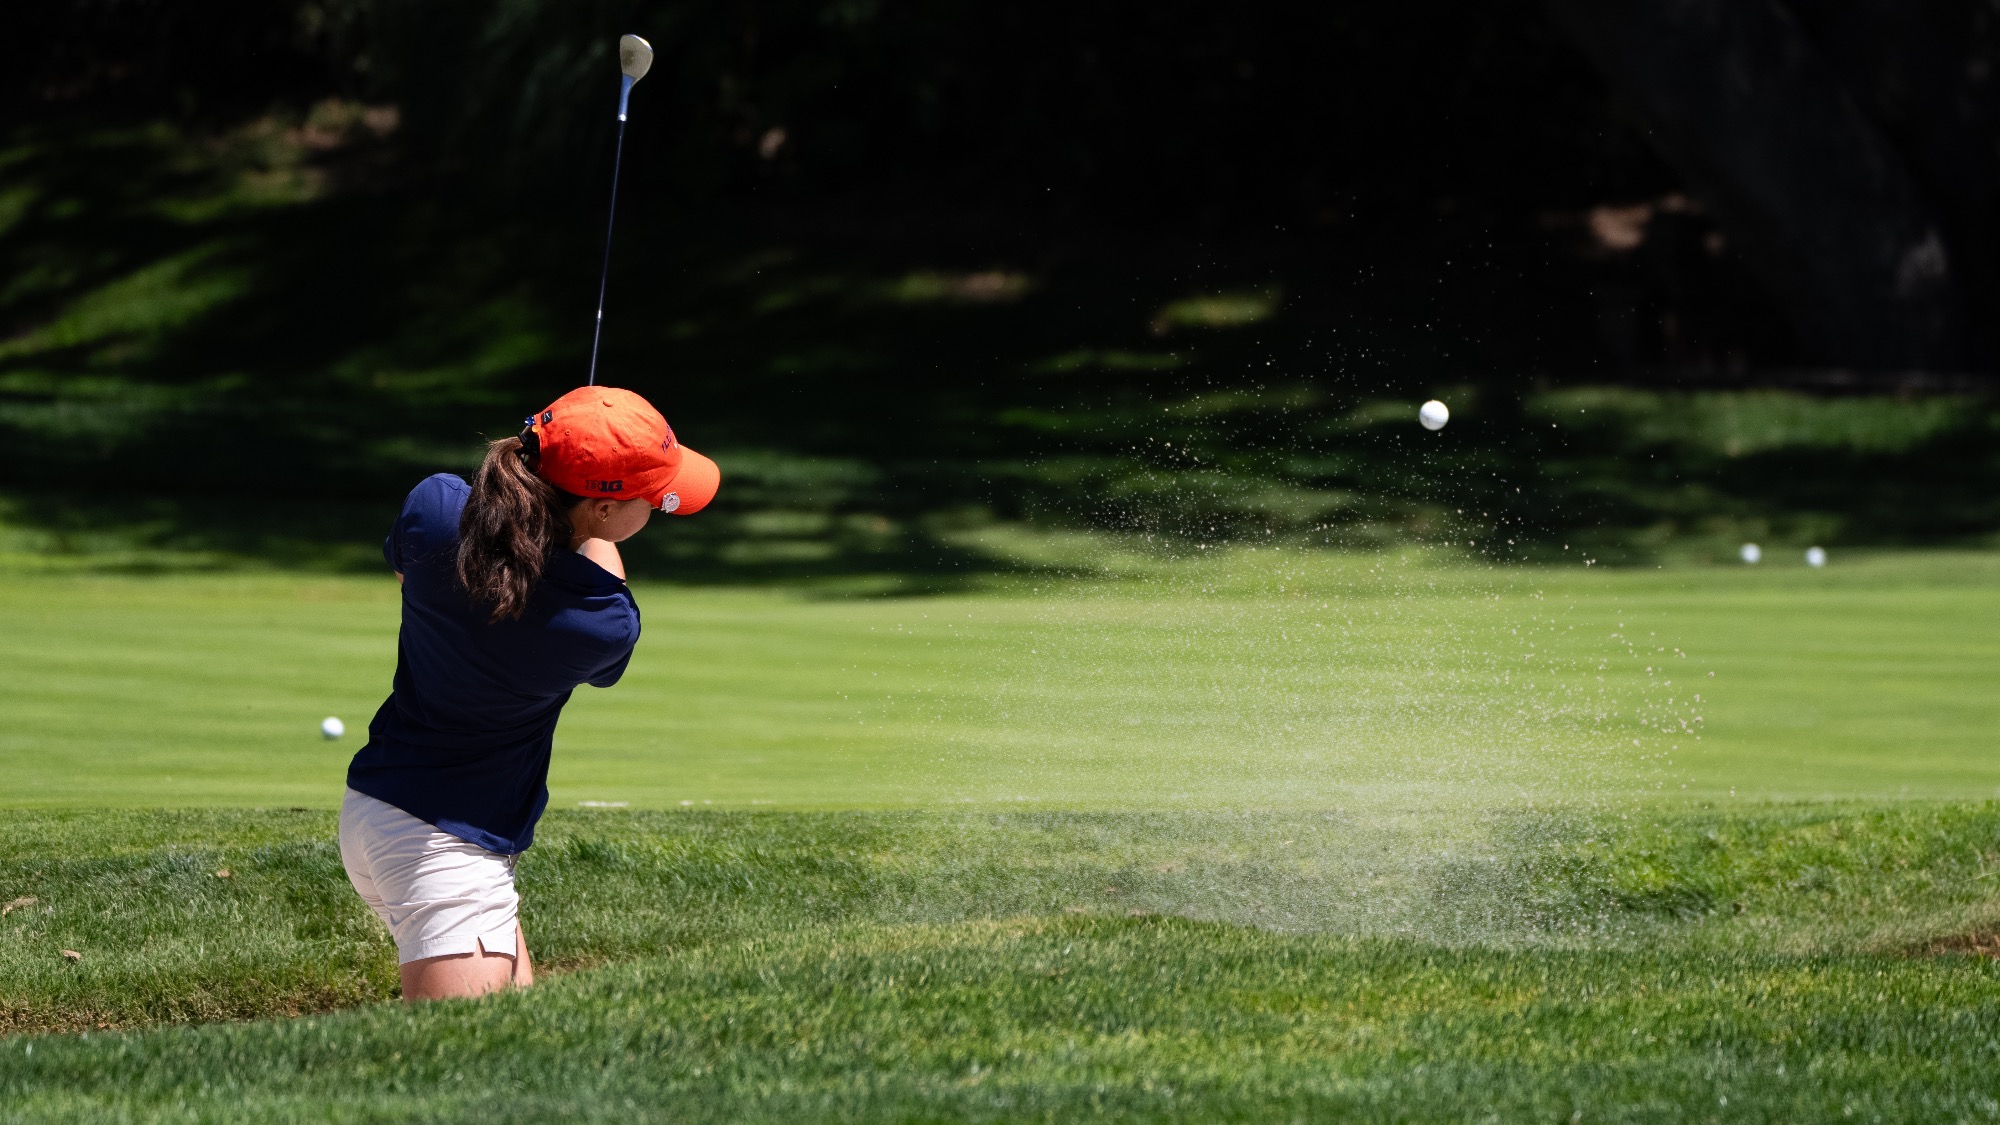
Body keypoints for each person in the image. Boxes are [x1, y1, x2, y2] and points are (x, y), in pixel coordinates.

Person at [338, 385, 719, 1001]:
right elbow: (597, 572)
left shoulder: (434, 507)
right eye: (650, 498)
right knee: (455, 1071)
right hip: (446, 849)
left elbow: (424, 562)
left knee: (519, 1044)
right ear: (600, 510)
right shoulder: (600, 623)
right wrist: (579, 522)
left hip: (384, 810)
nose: (656, 509)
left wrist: (570, 484)